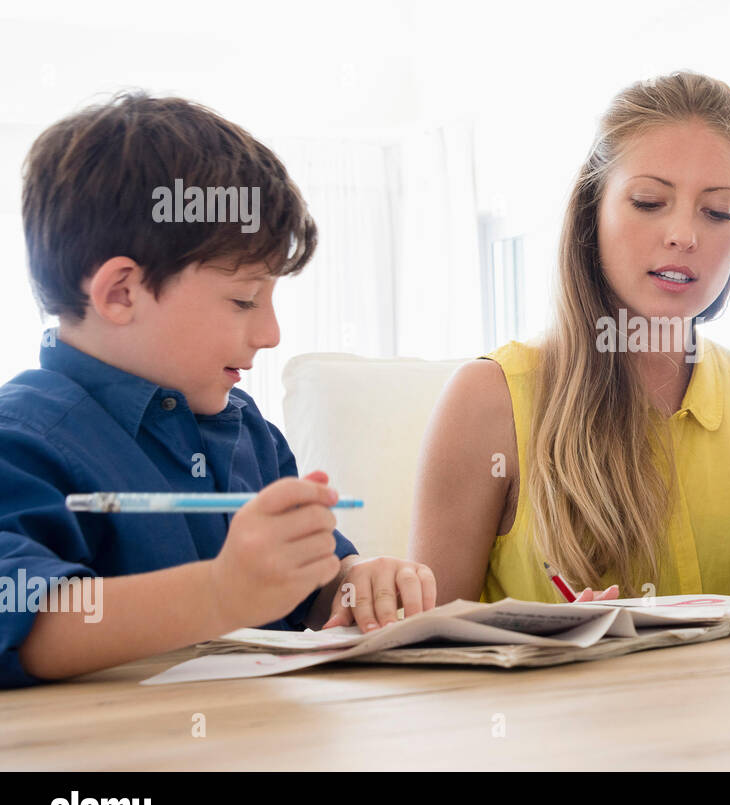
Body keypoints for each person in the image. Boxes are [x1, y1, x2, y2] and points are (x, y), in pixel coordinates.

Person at [0, 93, 436, 688]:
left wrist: (355, 579)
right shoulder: (22, 439)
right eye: (243, 300)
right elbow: (25, 622)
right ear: (121, 293)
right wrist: (220, 593)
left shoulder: (245, 427)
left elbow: (307, 582)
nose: (271, 332)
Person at [411, 71, 730, 603]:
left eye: (717, 212)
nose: (684, 235)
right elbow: (427, 649)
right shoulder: (489, 400)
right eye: (648, 202)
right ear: (591, 212)